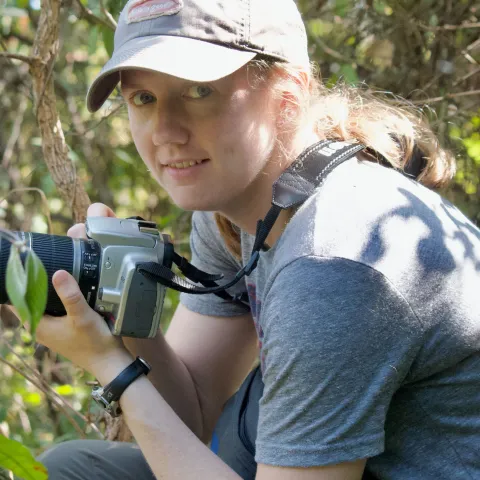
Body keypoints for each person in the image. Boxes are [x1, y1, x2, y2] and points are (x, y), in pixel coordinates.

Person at [29, 0, 480, 479]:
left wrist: (111, 368)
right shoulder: (234, 208)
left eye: (198, 91)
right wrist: (118, 318)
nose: (165, 132)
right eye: (144, 99)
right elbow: (194, 413)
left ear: (288, 94)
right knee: (71, 469)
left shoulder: (335, 258)